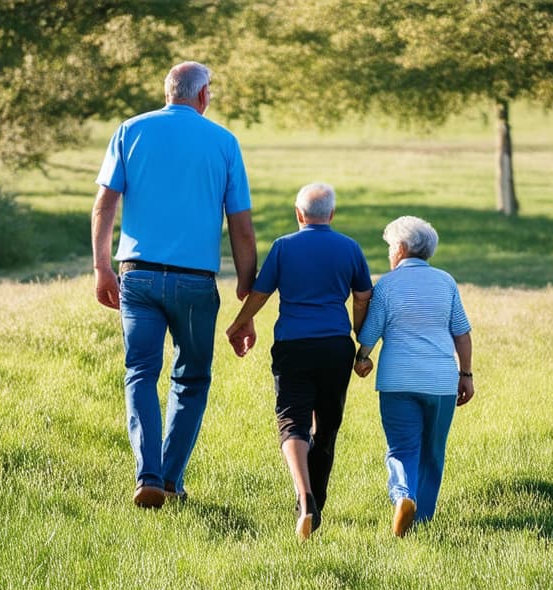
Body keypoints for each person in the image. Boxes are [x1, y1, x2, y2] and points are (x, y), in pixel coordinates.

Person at [91, 61, 257, 508]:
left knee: (140, 373)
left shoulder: (131, 130)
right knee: (191, 379)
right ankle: (168, 480)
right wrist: (247, 287)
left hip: (137, 275)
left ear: (169, 92)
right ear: (202, 96)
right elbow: (240, 225)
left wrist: (101, 268)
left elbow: (104, 205)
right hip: (194, 282)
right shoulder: (224, 142)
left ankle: (147, 473)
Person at [225, 183, 372, 540]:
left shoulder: (283, 247)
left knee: (292, 422)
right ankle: (316, 504)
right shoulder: (350, 248)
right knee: (327, 428)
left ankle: (303, 497)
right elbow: (363, 295)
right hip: (335, 347)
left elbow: (261, 292)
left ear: (298, 214)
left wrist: (239, 322)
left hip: (293, 345)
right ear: (332, 215)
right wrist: (358, 336)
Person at [354, 216, 474, 537]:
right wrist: (466, 374)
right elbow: (462, 334)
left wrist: (362, 358)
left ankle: (403, 497)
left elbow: (371, 331)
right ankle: (422, 522)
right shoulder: (446, 282)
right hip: (441, 383)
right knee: (432, 452)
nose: (390, 253)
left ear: (402, 249)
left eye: (391, 247)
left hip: (398, 382)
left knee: (402, 448)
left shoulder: (388, 285)